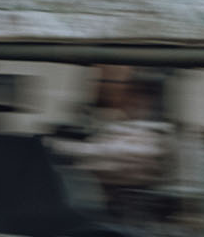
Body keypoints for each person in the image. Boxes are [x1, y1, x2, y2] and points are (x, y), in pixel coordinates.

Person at [48, 64, 175, 207]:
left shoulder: (148, 136)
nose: (98, 80)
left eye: (113, 73)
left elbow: (107, 156)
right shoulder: (105, 124)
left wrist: (50, 147)